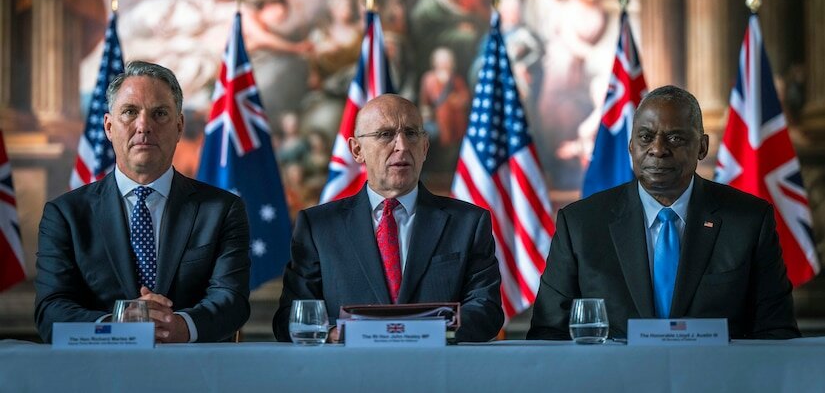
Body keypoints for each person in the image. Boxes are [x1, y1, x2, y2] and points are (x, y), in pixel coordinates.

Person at [528, 85, 800, 340]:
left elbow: (776, 332)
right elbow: (548, 333)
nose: (658, 150)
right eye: (646, 137)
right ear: (631, 146)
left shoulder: (749, 220)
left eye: (676, 138)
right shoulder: (581, 224)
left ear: (702, 147)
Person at [35, 61, 251, 343]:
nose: (143, 126)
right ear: (109, 127)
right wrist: (120, 323)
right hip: (97, 376)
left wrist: (181, 327)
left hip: (194, 376)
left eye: (159, 113)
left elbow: (231, 300)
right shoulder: (65, 215)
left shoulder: (222, 210)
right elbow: (50, 309)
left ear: (179, 126)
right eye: (129, 112)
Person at [273, 94, 503, 343]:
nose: (402, 146)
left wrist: (420, 335)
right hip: (348, 374)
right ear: (357, 150)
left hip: (437, 373)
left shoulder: (468, 223)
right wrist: (330, 334)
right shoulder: (318, 227)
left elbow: (486, 310)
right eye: (385, 134)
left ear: (424, 147)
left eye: (412, 134)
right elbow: (291, 316)